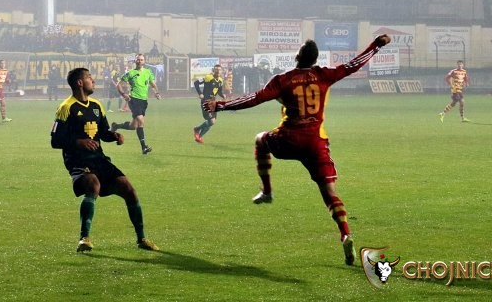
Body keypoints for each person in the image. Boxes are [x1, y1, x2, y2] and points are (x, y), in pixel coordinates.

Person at [203, 35, 391, 266]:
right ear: (315, 59)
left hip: (289, 139)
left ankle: (267, 190)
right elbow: (354, 65)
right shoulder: (324, 75)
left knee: (261, 139)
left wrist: (220, 105)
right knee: (329, 193)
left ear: (298, 56)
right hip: (316, 143)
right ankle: (345, 233)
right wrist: (376, 45)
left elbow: (255, 98)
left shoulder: (284, 80)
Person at [50, 67, 159, 253]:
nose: (93, 80)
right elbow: (55, 140)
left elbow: (103, 132)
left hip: (99, 159)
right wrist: (79, 142)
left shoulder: (96, 106)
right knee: (93, 185)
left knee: (129, 189)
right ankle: (84, 239)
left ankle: (142, 239)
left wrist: (114, 136)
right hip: (78, 161)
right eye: (89, 78)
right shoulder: (66, 108)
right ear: (79, 83)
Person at [111, 54, 161, 155]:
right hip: (133, 99)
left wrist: (156, 92)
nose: (139, 61)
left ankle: (116, 126)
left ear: (144, 61)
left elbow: (153, 84)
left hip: (143, 101)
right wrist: (124, 94)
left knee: (133, 126)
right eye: (138, 60)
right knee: (141, 121)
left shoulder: (148, 72)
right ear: (135, 61)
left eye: (141, 60)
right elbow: (119, 84)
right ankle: (144, 147)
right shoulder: (130, 73)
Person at [192, 64, 225, 144]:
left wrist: (222, 95)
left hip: (213, 102)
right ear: (213, 70)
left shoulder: (220, 80)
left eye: (219, 70)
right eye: (216, 70)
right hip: (206, 101)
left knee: (212, 122)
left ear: (221, 71)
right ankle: (197, 130)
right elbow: (196, 83)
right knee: (211, 121)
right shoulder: (208, 77)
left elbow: (219, 91)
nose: (218, 71)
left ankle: (198, 134)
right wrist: (200, 93)